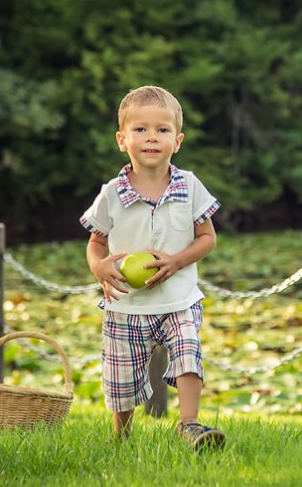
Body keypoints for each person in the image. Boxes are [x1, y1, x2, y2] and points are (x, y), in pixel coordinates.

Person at [80, 85, 225, 450]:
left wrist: (177, 261)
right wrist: (99, 269)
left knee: (188, 348)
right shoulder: (111, 193)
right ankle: (122, 437)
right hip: (126, 304)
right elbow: (96, 243)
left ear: (177, 141)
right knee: (122, 378)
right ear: (122, 139)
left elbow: (207, 237)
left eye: (162, 130)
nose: (151, 137)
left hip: (179, 299)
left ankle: (189, 424)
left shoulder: (189, 186)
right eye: (140, 129)